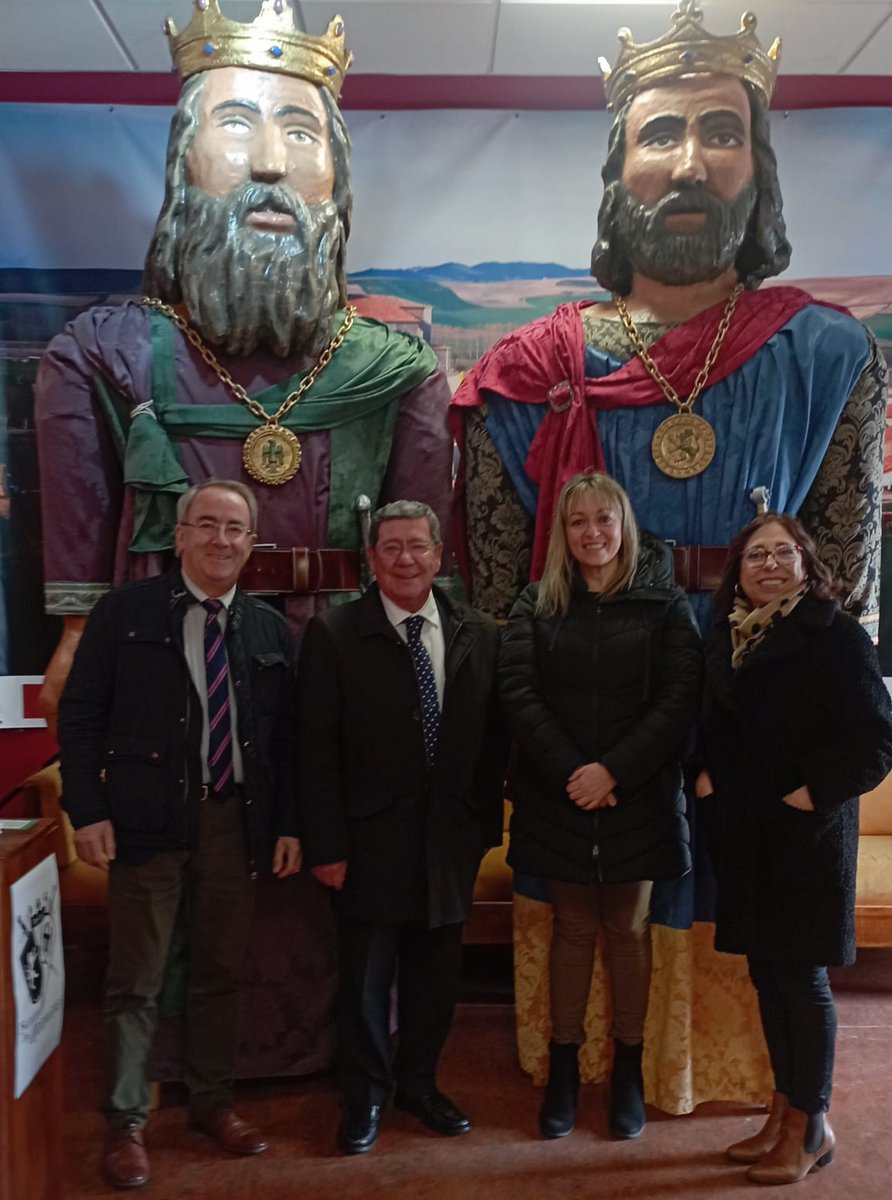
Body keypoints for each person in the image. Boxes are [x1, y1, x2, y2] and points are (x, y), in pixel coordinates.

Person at [449, 2, 886, 1113]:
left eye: (721, 130)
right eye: (659, 133)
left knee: (752, 882)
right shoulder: (532, 365)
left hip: (754, 683)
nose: (690, 160)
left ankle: (757, 1086)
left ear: (758, 167)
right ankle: (598, 1066)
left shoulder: (825, 351)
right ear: (618, 172)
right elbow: (507, 585)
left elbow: (840, 568)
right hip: (596, 680)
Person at [35, 1, 452, 1082]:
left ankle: (351, 1061)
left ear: (337, 181)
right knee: (186, 861)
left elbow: (423, 559)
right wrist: (76, 624)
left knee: (325, 854)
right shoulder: (106, 351)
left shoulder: (397, 365)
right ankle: (175, 1075)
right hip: (175, 659)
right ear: (183, 167)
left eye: (302, 133)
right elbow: (80, 516)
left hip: (338, 663)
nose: (270, 161)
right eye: (235, 125)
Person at [57, 479, 300, 1190]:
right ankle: (127, 1120)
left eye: (236, 530)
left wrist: (286, 826)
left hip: (235, 825)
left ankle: (213, 1104)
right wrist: (87, 809)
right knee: (137, 978)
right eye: (209, 525)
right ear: (182, 534)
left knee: (221, 972)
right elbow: (79, 718)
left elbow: (284, 743)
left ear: (251, 543)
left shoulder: (266, 628)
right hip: (145, 823)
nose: (223, 541)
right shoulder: (124, 613)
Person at [295, 500, 504, 1155]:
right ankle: (364, 1099)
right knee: (363, 981)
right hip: (365, 843)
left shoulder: (481, 632)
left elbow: (495, 739)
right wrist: (326, 844)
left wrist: (480, 825)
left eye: (418, 545)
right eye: (391, 547)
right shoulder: (333, 634)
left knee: (436, 977)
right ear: (372, 558)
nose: (405, 558)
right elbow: (314, 750)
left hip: (450, 839)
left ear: (439, 554)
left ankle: (419, 1083)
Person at [499, 473, 701, 1140]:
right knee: (572, 930)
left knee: (629, 932)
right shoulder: (536, 602)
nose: (592, 532)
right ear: (563, 533)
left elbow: (678, 700)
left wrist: (613, 770)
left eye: (603, 519)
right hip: (558, 796)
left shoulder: (665, 604)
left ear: (624, 524)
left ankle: (628, 1076)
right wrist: (575, 774)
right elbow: (519, 695)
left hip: (636, 795)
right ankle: (562, 1073)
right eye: (578, 521)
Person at [697, 513, 892, 1185]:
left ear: (808, 563)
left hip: (806, 839)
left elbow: (877, 741)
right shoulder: (730, 636)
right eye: (756, 555)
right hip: (745, 837)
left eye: (784, 552)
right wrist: (706, 776)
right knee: (768, 977)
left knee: (801, 983)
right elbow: (716, 721)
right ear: (739, 570)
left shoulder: (834, 635)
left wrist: (811, 794)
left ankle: (812, 1127)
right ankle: (783, 1111)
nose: (770, 564)